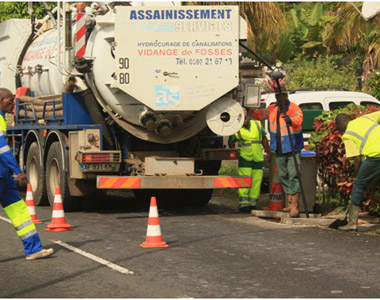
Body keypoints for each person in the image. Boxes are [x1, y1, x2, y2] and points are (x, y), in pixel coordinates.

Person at [0, 88, 54, 260]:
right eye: (10, 100)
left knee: (20, 212)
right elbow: (2, 149)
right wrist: (18, 171)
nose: (12, 103)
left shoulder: (2, 117)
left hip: (4, 176)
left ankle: (34, 249)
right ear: (0, 100)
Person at [250, 88, 304, 217]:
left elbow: (299, 119)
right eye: (277, 96)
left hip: (292, 148)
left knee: (294, 175)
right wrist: (249, 110)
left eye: (282, 96)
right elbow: (259, 115)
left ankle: (294, 206)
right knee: (283, 175)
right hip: (279, 149)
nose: (279, 98)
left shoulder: (293, 108)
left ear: (286, 96)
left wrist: (290, 120)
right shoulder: (272, 108)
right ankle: (290, 201)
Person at [335, 111, 380, 231]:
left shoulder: (348, 135)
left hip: (376, 155)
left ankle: (352, 223)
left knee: (359, 185)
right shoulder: (365, 118)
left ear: (340, 125)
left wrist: (357, 176)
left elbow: (357, 159)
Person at [228, 108, 271, 212]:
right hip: (245, 158)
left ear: (248, 117)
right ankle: (243, 203)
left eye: (245, 119)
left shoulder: (256, 124)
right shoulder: (236, 128)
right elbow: (231, 142)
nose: (244, 121)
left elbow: (263, 139)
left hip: (257, 158)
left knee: (256, 182)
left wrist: (268, 152)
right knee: (244, 181)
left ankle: (252, 203)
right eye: (242, 119)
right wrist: (234, 149)